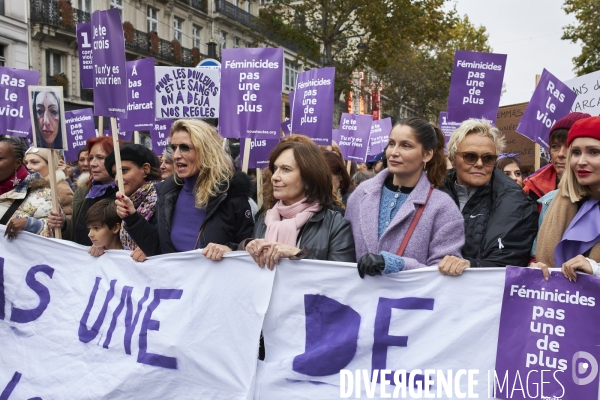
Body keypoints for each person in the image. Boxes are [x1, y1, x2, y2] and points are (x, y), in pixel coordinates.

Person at [115, 119, 254, 260]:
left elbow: (250, 249)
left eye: (185, 148)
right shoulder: (167, 194)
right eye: (173, 147)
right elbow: (160, 250)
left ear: (206, 150)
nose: (176, 155)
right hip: (174, 281)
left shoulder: (232, 196)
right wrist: (132, 217)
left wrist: (230, 249)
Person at [345, 117, 465, 277]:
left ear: (427, 154)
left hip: (408, 301)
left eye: (406, 146)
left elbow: (442, 273)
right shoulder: (360, 195)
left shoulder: (443, 208)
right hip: (360, 299)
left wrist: (395, 264)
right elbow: (343, 254)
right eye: (391, 144)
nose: (394, 152)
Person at [239, 135, 355, 269]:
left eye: (286, 169)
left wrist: (298, 254)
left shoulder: (335, 225)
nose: (275, 177)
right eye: (275, 169)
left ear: (308, 179)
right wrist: (245, 247)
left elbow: (342, 279)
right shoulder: (263, 222)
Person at [439, 118, 538, 274]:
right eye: (470, 156)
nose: (479, 163)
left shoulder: (515, 202)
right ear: (452, 158)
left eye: (488, 158)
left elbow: (510, 262)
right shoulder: (432, 192)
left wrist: (470, 265)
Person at [532, 117, 600, 281]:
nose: (581, 162)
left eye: (594, 152)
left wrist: (595, 270)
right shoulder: (552, 202)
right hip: (557, 302)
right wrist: (535, 266)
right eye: (576, 152)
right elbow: (536, 256)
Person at [47, 136, 119, 245]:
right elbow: (76, 233)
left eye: (100, 157)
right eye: (91, 158)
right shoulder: (83, 192)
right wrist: (64, 224)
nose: (92, 164)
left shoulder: (127, 193)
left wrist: (105, 247)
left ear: (116, 160)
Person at [104, 144, 160, 260]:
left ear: (145, 169)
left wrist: (151, 250)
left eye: (124, 171)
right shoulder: (118, 203)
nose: (117, 179)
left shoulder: (165, 199)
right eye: (115, 174)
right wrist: (102, 244)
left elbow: (168, 243)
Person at [523, 112, 591, 202]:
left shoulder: (595, 191)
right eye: (555, 146)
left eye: (568, 146)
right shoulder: (532, 188)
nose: (561, 154)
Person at [0, 136, 54, 239]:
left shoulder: (42, 194)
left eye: (0, 158)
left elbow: (56, 233)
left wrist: (31, 224)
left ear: (17, 163)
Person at [24, 147, 74, 218]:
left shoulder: (60, 188)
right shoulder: (22, 186)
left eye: (34, 162)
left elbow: (69, 220)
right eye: (26, 163)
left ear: (51, 164)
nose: (28, 167)